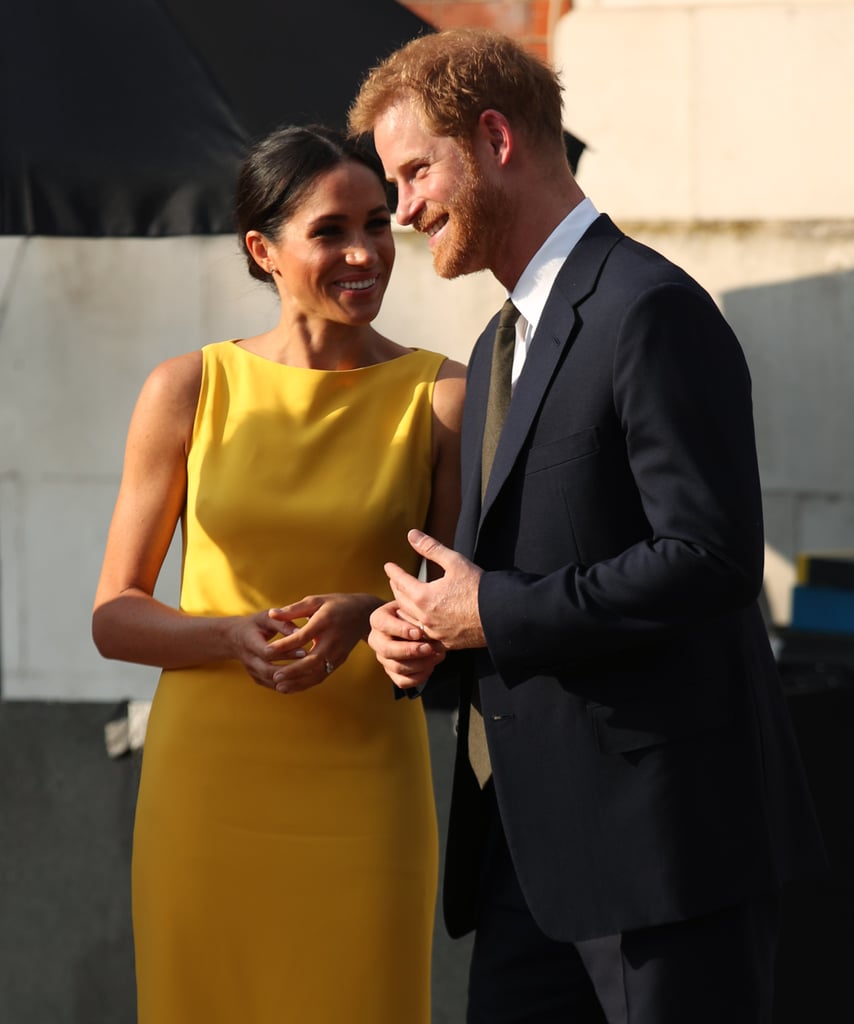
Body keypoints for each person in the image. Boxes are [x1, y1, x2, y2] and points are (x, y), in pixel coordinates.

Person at [349, 29, 826, 1024]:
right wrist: (428, 630)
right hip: (522, 863)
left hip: (664, 860)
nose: (401, 212)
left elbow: (709, 558)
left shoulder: (648, 308)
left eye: (412, 173)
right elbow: (510, 577)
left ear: (494, 137)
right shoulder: (488, 348)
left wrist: (492, 610)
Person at [92, 124, 465, 1024]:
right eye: (332, 230)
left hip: (366, 789)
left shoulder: (442, 395)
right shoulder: (187, 389)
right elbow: (114, 614)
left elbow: (460, 607)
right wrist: (225, 634)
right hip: (208, 790)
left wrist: (368, 615)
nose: (366, 251)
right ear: (262, 249)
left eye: (378, 224)